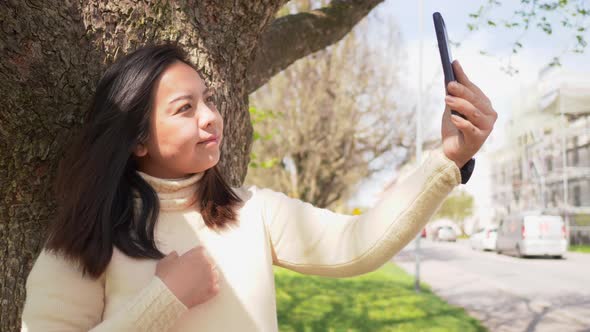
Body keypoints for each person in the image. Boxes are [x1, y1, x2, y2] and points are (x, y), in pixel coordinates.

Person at [20, 43, 496, 331]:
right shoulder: (84, 239)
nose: (210, 117)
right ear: (137, 138)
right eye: (185, 108)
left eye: (208, 100)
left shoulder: (253, 211)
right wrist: (164, 300)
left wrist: (449, 156)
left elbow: (358, 244)